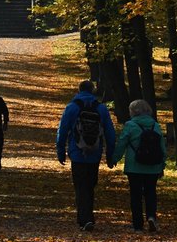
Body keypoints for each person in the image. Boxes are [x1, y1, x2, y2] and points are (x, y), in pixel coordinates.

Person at [56, 80, 116, 232]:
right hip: (95, 154)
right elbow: (110, 132)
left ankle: (84, 219)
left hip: (77, 153)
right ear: (93, 90)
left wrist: (61, 150)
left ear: (79, 90)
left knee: (80, 186)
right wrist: (110, 154)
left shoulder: (71, 107)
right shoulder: (101, 108)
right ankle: (87, 216)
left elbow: (62, 131)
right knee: (90, 186)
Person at [111, 99, 166, 233]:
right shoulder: (155, 125)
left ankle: (137, 225)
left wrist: (114, 159)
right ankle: (151, 217)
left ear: (132, 112)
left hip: (134, 167)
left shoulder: (130, 125)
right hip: (153, 167)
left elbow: (122, 144)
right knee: (150, 193)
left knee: (135, 195)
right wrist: (162, 165)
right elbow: (162, 147)